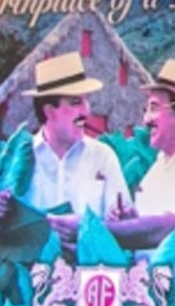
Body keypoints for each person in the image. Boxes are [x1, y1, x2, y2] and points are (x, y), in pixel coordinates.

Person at [50, 59, 175, 259]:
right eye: (146, 109)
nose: (146, 119)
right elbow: (145, 232)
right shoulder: (161, 163)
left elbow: (165, 230)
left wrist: (88, 229)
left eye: (154, 107)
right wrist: (129, 219)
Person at [0, 52, 130, 234]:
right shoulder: (17, 159)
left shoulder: (102, 157)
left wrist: (119, 219)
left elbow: (124, 224)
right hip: (29, 261)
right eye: (75, 102)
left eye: (86, 101)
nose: (86, 111)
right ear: (49, 111)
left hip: (90, 261)